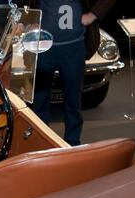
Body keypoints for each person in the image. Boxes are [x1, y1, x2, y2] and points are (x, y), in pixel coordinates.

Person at [27, 0, 115, 146]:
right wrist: (30, 20)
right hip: (43, 46)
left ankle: (72, 143)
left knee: (73, 101)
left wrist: (93, 14)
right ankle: (41, 141)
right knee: (39, 101)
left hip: (73, 47)